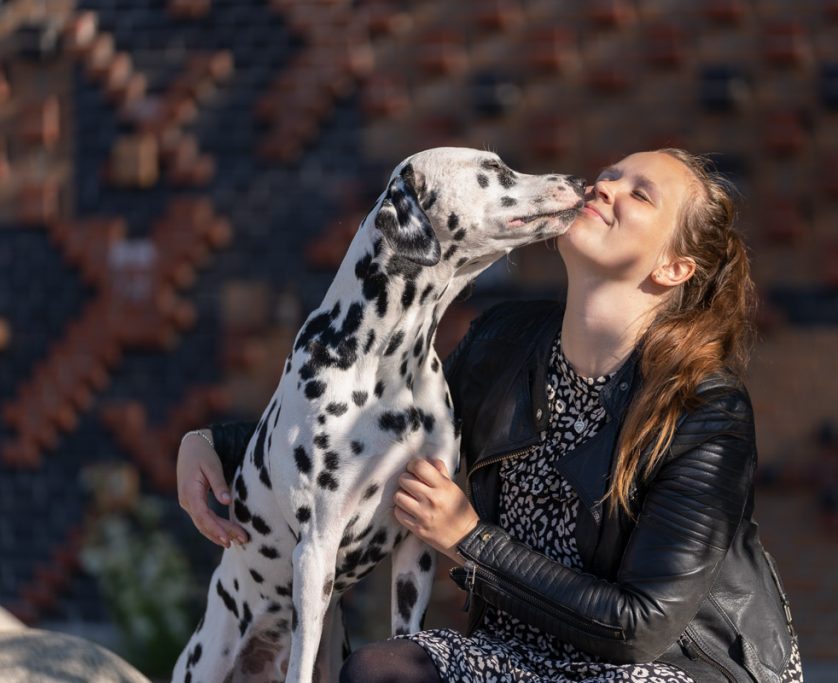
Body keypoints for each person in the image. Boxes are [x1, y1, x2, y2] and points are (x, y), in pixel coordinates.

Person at [176, 149, 802, 683]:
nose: (605, 186)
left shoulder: (705, 413)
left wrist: (469, 540)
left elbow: (639, 628)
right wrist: (215, 444)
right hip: (522, 656)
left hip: (672, 667)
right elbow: (370, 432)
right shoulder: (505, 343)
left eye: (639, 194)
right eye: (610, 174)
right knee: (379, 669)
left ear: (673, 268)